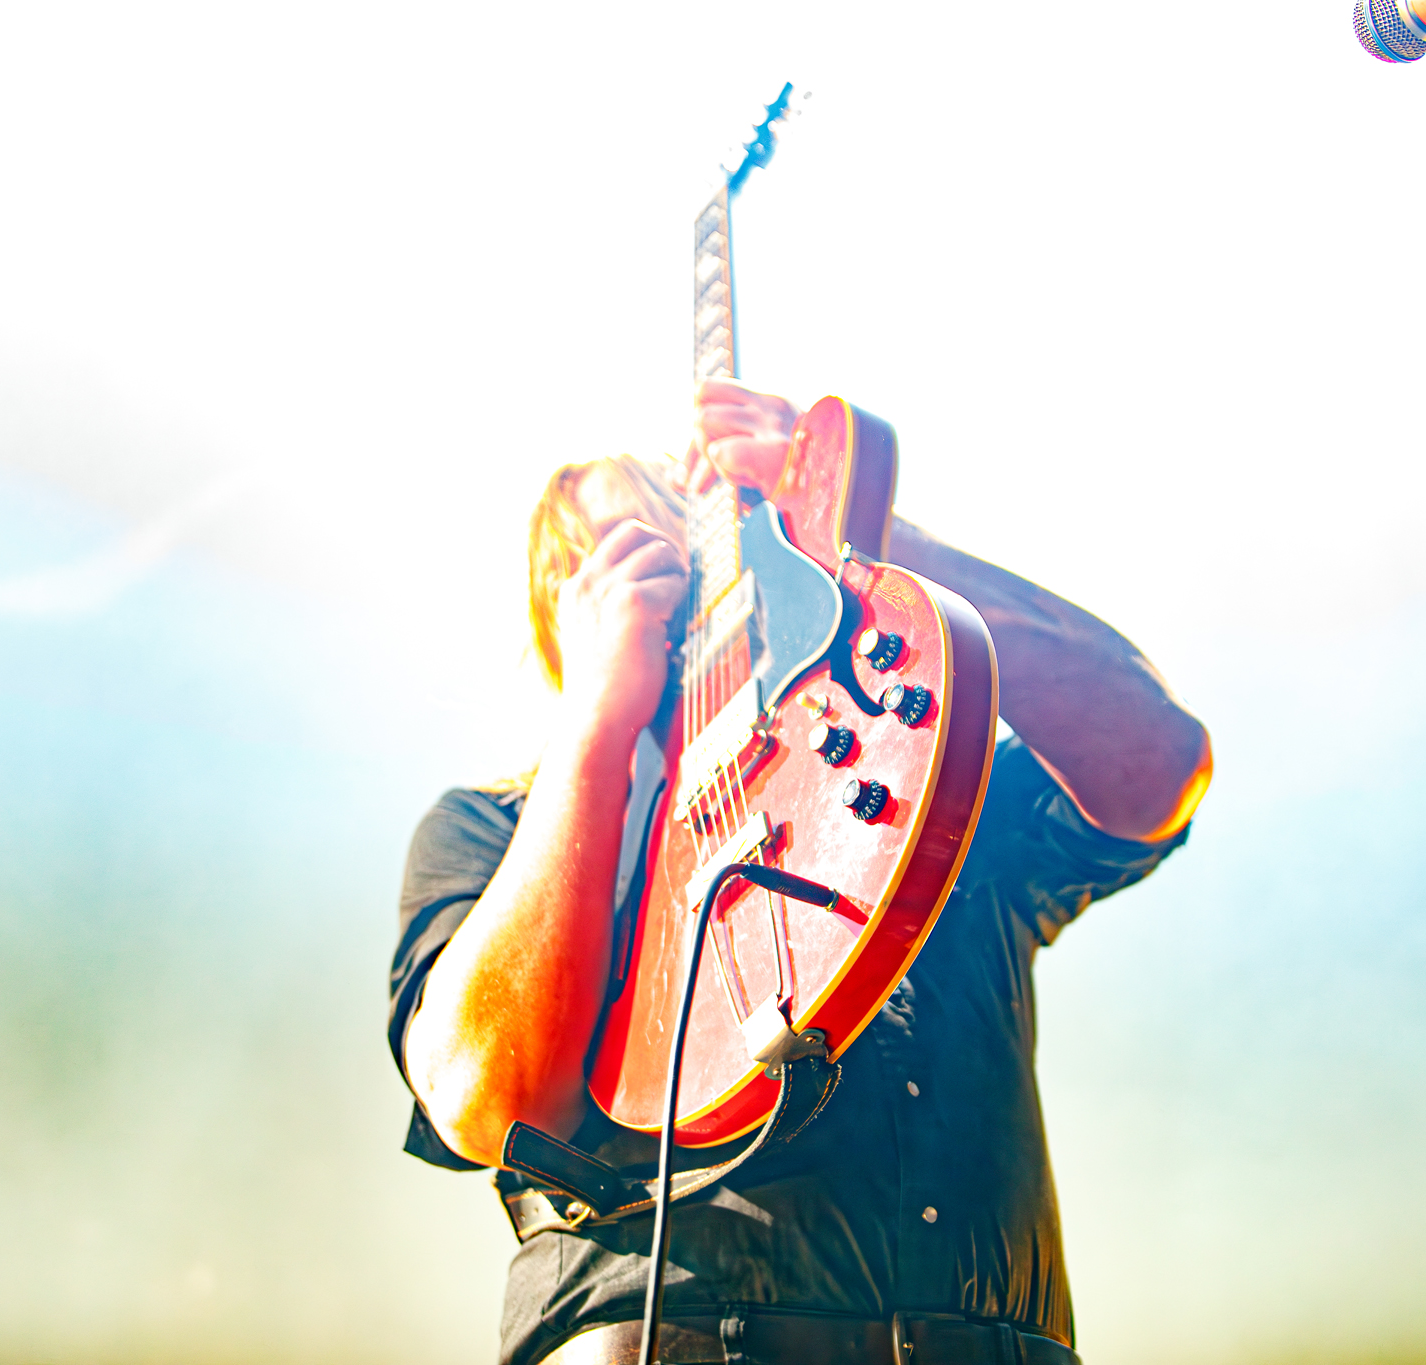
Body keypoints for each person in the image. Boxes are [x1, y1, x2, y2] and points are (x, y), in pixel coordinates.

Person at [388, 380, 1213, 1365]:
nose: (667, 587)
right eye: (614, 562)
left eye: (695, 546)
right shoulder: (490, 826)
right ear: (564, 614)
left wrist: (856, 532)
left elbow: (1158, 763)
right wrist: (594, 723)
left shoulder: (902, 758)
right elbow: (487, 1099)